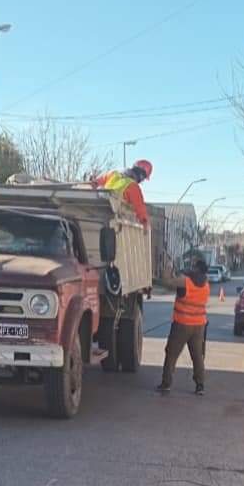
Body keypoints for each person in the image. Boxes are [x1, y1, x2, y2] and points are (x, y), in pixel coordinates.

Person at [156, 257, 210, 396]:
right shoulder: (205, 284)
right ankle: (200, 385)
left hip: (182, 324)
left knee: (171, 353)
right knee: (197, 356)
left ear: (197, 268)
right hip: (199, 326)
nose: (191, 268)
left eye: (193, 266)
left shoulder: (186, 281)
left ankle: (166, 383)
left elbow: (167, 282)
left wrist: (168, 267)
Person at [94, 160, 152, 228]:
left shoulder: (113, 174)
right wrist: (145, 222)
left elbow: (95, 183)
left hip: (97, 211)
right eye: (143, 179)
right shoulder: (133, 186)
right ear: (141, 175)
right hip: (114, 219)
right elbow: (139, 207)